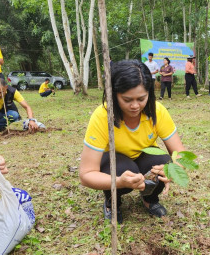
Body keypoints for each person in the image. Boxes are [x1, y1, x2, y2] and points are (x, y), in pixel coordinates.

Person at [80, 60, 186, 224]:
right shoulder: (102, 117)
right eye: (127, 99)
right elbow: (86, 175)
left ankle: (149, 199)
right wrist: (119, 182)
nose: (135, 106)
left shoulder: (157, 112)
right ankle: (111, 203)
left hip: (144, 157)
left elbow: (180, 155)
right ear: (113, 95)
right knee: (121, 169)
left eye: (141, 98)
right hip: (115, 161)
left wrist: (173, 170)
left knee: (163, 162)